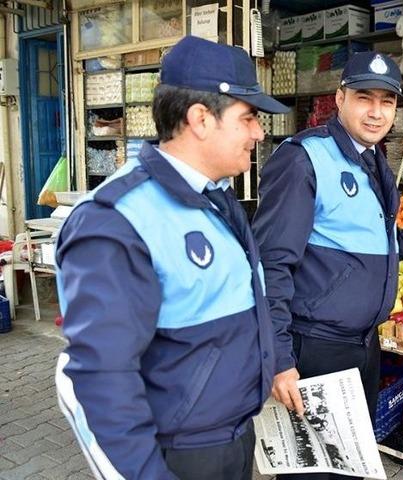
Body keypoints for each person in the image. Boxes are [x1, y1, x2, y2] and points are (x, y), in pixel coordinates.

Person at [54, 36, 291, 480]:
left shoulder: (216, 197)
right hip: (178, 457)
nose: (259, 133)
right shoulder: (117, 221)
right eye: (249, 118)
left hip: (233, 440)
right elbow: (97, 381)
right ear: (200, 119)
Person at [253, 51, 403, 474]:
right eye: (365, 98)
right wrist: (278, 358)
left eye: (387, 102)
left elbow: (379, 242)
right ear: (340, 98)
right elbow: (269, 264)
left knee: (347, 465)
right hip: (314, 347)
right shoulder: (304, 159)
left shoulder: (373, 159)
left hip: (363, 345)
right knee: (313, 471)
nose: (376, 111)